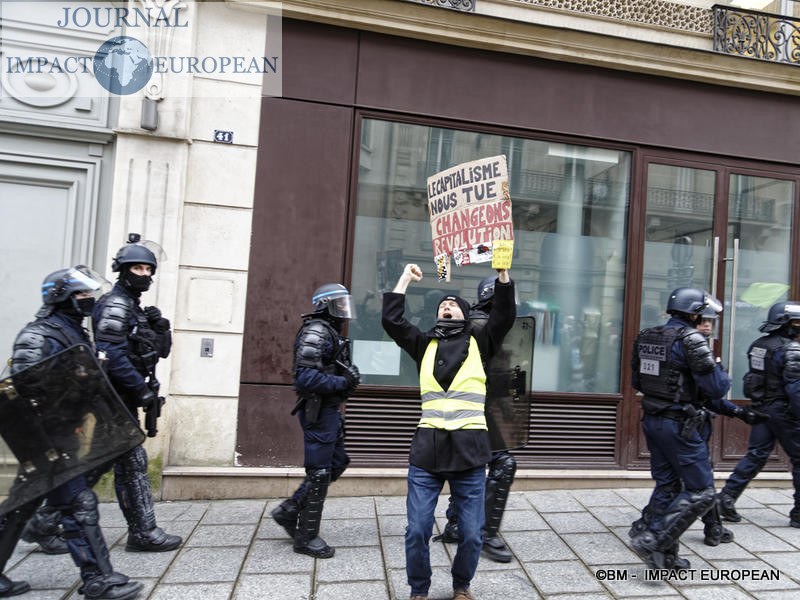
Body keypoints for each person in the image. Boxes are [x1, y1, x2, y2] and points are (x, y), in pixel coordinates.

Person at [2, 266, 143, 599]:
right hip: (42, 438)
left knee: (18, 507)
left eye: (89, 294)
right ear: (60, 297)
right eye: (81, 295)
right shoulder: (38, 336)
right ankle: (98, 579)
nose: (89, 300)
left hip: (60, 434)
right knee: (78, 504)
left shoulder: (73, 332)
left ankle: (99, 576)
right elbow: (28, 391)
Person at [382, 264, 515, 600]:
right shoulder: (423, 343)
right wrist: (404, 280)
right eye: (443, 303)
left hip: (469, 451)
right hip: (427, 451)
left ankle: (461, 586)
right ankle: (419, 590)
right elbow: (392, 321)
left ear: (465, 313)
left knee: (472, 534)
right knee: (417, 531)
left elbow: (503, 316)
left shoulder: (480, 341)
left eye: (454, 303)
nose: (447, 305)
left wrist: (502, 276)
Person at [629, 287, 767, 569]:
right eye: (703, 316)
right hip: (681, 425)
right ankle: (653, 539)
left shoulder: (647, 335)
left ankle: (664, 557)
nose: (705, 321)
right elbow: (717, 387)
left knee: (668, 485)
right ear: (693, 314)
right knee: (701, 491)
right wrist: (718, 368)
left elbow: (637, 382)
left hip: (654, 420)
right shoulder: (691, 339)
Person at [90, 236, 181, 552]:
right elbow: (111, 354)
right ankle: (143, 533)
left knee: (94, 464)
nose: (143, 274)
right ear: (122, 270)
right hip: (114, 398)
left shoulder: (134, 307)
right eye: (137, 268)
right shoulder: (115, 304)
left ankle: (43, 523)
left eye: (147, 269)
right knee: (132, 463)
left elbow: (161, 352)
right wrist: (141, 391)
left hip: (123, 397)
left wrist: (162, 327)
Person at [271, 283, 360, 558]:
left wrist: (346, 379)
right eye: (340, 304)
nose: (345, 310)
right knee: (320, 472)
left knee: (337, 462)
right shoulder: (317, 331)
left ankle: (289, 511)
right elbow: (305, 378)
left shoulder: (329, 331)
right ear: (326, 305)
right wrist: (343, 381)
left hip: (329, 410)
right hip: (317, 411)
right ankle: (306, 537)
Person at [435, 274, 517, 563]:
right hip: (477, 406)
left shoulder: (470, 322)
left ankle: (456, 524)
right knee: (503, 463)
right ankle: (485, 534)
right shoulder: (483, 325)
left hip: (465, 405)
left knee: (468, 463)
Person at [717, 301, 800, 527]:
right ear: (790, 324)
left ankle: (726, 498)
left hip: (762, 407)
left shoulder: (759, 344)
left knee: (756, 455)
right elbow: (795, 388)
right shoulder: (791, 349)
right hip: (784, 411)